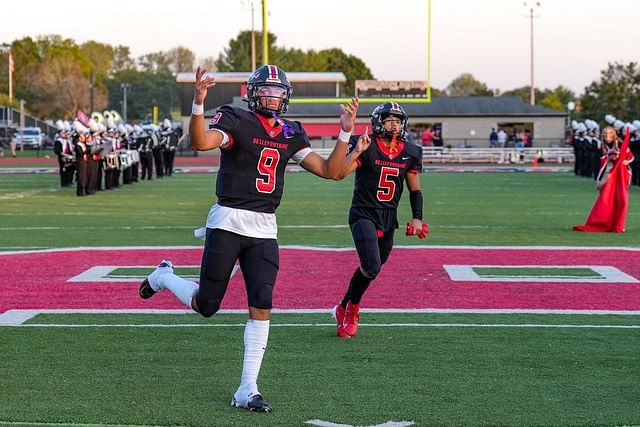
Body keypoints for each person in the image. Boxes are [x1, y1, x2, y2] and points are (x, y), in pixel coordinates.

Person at [138, 64, 360, 412]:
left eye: (278, 91)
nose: (273, 96)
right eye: (267, 89)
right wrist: (198, 102)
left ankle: (247, 388)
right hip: (228, 220)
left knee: (262, 302)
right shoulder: (235, 119)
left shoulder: (291, 131)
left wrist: (345, 134)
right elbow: (200, 141)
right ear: (253, 92)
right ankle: (164, 276)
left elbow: (332, 172)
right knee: (207, 306)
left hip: (265, 228)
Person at [331, 102, 426, 339]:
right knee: (371, 265)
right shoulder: (366, 144)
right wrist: (357, 151)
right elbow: (339, 174)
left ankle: (343, 306)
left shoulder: (411, 152)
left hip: (388, 218)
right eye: (388, 119)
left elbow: (415, 190)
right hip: (363, 213)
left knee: (371, 270)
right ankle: (352, 311)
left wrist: (417, 218)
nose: (393, 124)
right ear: (377, 122)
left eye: (397, 120)